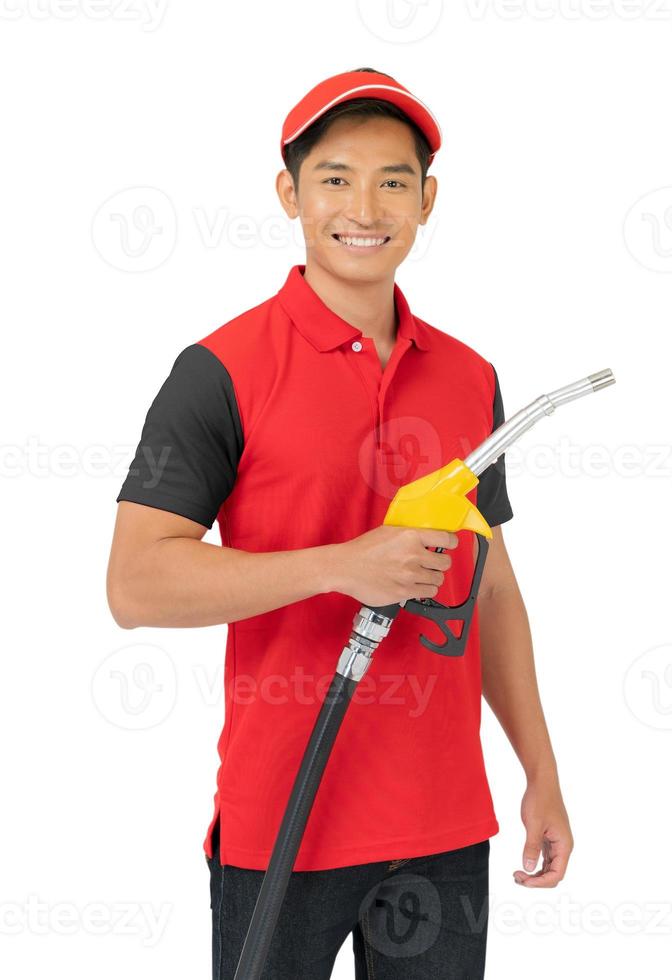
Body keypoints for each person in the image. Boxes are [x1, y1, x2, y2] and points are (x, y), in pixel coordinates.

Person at [105, 68, 572, 979]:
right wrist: (337, 566)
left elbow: (496, 589)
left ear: (428, 200)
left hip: (442, 827)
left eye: (394, 180)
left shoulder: (469, 378)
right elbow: (135, 583)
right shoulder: (220, 370)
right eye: (334, 178)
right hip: (282, 818)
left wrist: (540, 771)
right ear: (290, 193)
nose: (365, 206)